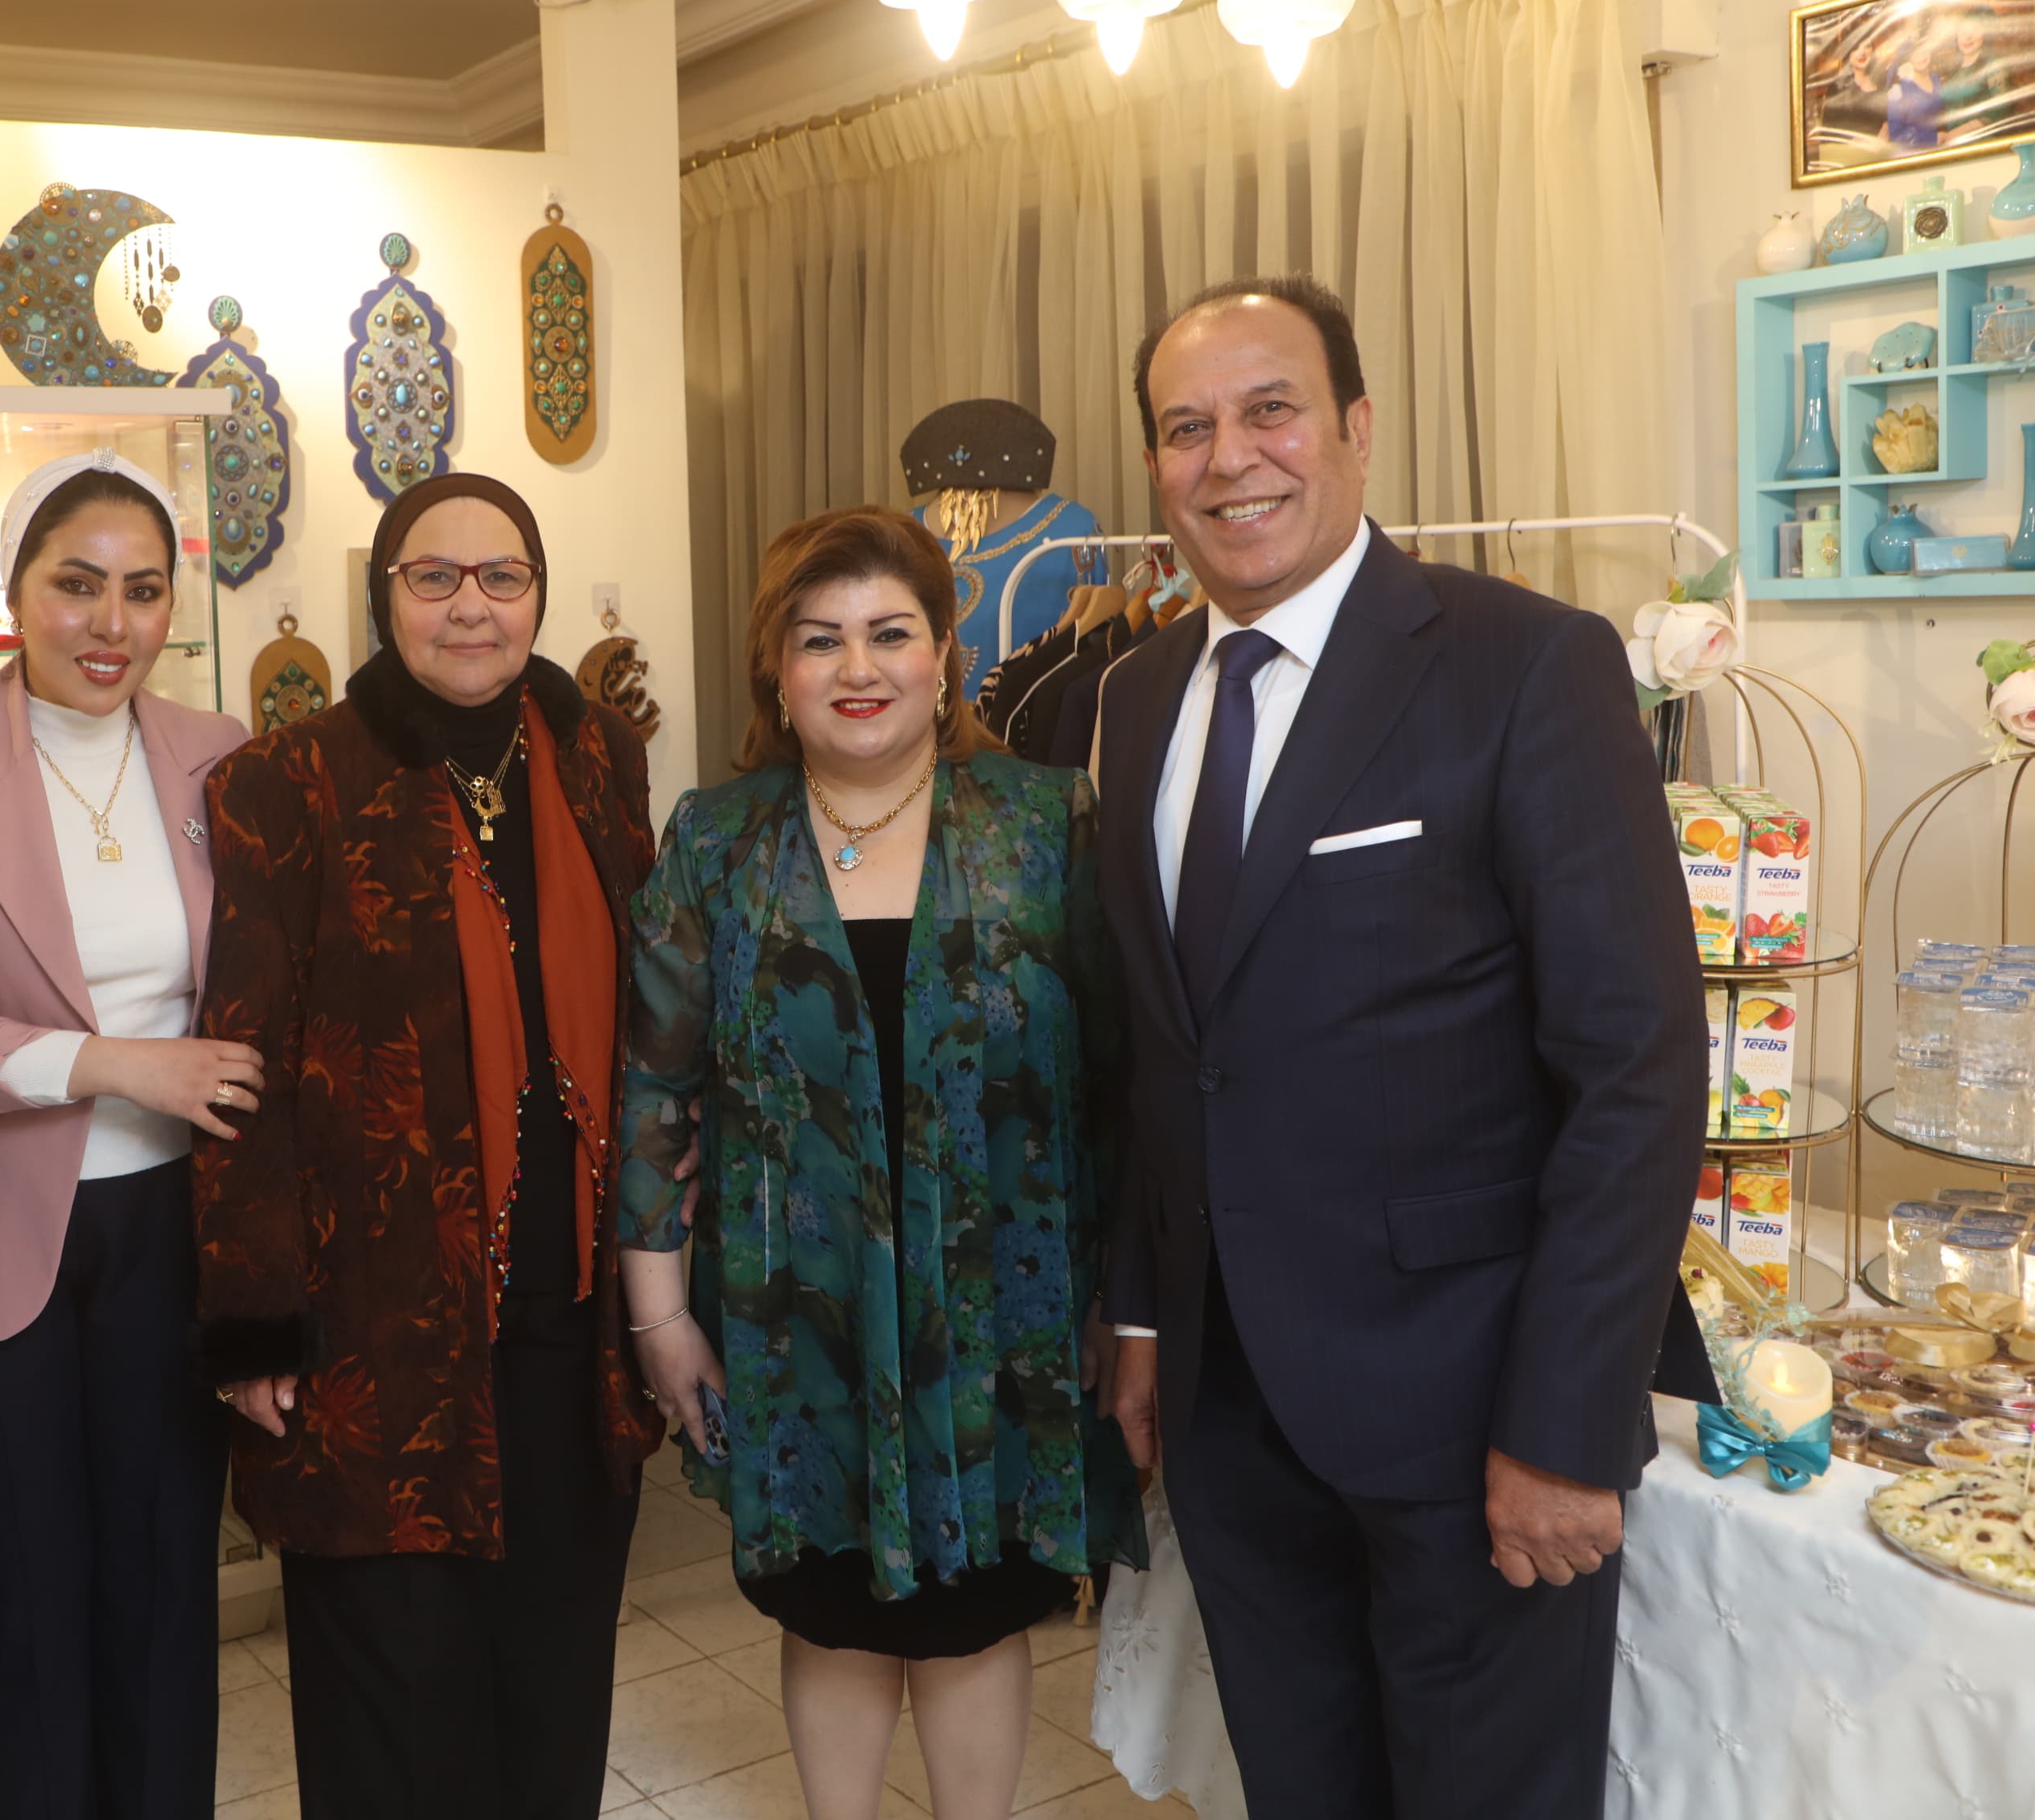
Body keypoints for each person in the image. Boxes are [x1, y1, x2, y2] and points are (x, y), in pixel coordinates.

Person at [1098, 278, 1710, 1820]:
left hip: (1473, 1412)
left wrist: (1568, 1424)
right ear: (1157, 465)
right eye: (1187, 428)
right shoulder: (1137, 694)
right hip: (1233, 1416)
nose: (1231, 459)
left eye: (1271, 411)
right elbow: (1163, 1052)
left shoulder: (1527, 664)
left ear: (1358, 429)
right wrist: (1147, 1317)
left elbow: (1637, 1069)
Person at [617, 508, 1137, 1820]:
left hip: (1009, 1313)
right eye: (820, 639)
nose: (859, 667)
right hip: (800, 1317)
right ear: (776, 669)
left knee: (978, 1615)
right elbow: (658, 1092)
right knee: (832, 1612)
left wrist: (1122, 1304)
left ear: (945, 654)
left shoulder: (1043, 824)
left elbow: (1121, 1086)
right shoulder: (717, 842)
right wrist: (661, 1316)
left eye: (890, 633)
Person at [191, 472, 659, 1820]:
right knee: (396, 1719)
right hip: (375, 1337)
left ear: (538, 594)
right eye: (433, 576)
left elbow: (650, 1019)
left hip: (571, 1324)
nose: (470, 605)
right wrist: (254, 1322)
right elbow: (243, 1061)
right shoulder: (289, 780)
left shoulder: (598, 758)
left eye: (502, 576)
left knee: (553, 1694)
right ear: (384, 594)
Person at [0, 453, 250, 1818]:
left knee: (165, 1592)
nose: (111, 624)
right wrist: (118, 1064)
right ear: (13, 594)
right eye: (78, 585)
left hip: (175, 1234)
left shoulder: (219, 755)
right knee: (16, 1604)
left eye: (144, 590)